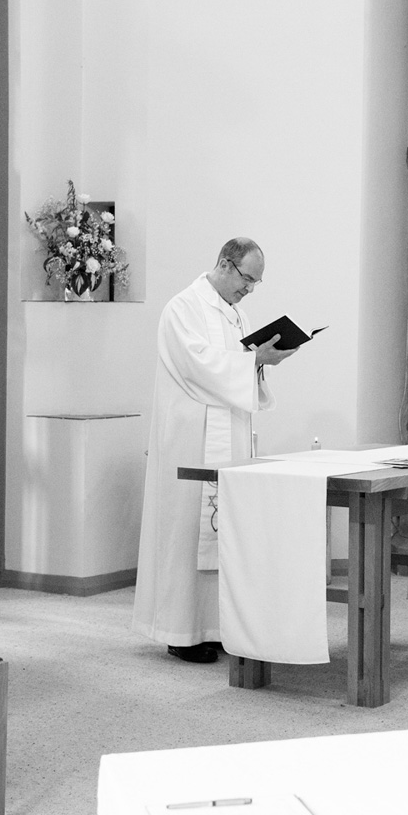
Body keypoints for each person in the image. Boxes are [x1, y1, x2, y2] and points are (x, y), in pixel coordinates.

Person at [132, 238, 294, 664]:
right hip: (191, 438)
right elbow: (197, 366)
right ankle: (180, 631)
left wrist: (262, 361)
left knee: (224, 530)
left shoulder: (235, 312)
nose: (250, 290)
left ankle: (216, 627)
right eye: (247, 279)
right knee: (186, 530)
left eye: (257, 282)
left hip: (226, 436)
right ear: (225, 264)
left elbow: (236, 364)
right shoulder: (182, 308)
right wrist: (252, 361)